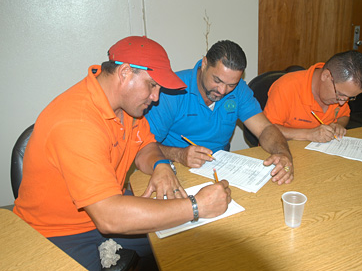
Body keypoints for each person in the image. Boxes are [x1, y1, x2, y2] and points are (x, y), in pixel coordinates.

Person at [13, 36, 232, 270]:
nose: (156, 97)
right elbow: (109, 217)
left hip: (106, 209)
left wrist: (160, 165)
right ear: (125, 72)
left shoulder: (127, 106)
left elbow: (146, 145)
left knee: (195, 242)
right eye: (152, 84)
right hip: (57, 232)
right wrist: (195, 206)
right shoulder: (76, 121)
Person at [145, 40, 294, 185]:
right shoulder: (171, 91)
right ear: (204, 64)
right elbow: (144, 147)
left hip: (221, 171)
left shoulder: (239, 90)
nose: (222, 91)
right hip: (175, 169)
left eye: (231, 85)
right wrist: (179, 154)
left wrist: (283, 154)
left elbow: (265, 129)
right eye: (217, 80)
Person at [263, 50, 362, 143]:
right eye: (341, 95)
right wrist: (308, 134)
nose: (342, 102)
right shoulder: (286, 87)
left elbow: (344, 115)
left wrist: (338, 125)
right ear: (326, 76)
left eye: (349, 98)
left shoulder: (342, 92)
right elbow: (266, 129)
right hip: (282, 151)